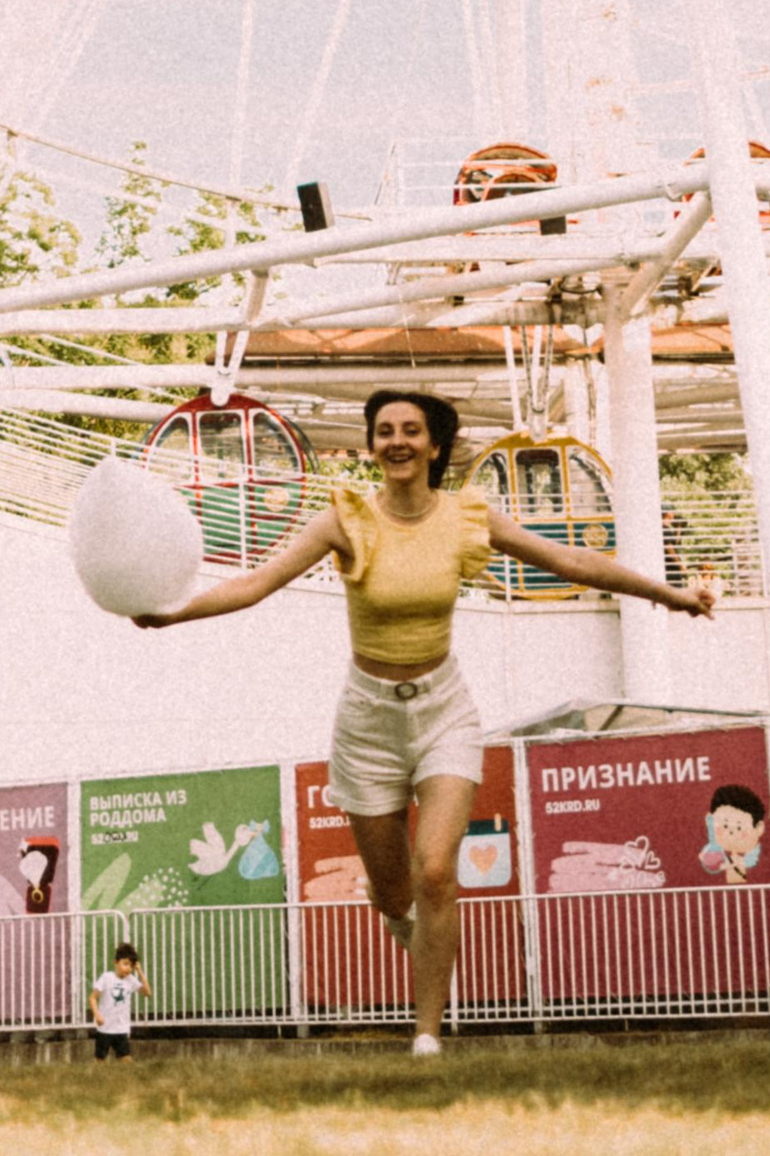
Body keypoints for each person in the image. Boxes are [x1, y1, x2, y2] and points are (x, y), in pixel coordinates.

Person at [134, 388, 713, 1059]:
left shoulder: (466, 516)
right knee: (394, 891)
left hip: (444, 710)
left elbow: (573, 560)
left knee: (435, 869)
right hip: (367, 721)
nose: (397, 441)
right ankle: (396, 912)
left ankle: (427, 1035)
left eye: (411, 430)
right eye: (384, 431)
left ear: (435, 445)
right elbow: (255, 583)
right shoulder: (345, 520)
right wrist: (173, 612)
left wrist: (672, 595)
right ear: (371, 445)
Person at [88, 941, 149, 1059]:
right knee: (99, 1061)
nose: (128, 968)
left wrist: (140, 971)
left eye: (131, 966)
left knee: (126, 1061)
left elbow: (147, 992)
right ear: (116, 962)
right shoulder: (106, 977)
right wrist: (97, 1015)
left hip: (121, 1029)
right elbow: (92, 998)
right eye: (125, 964)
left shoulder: (131, 980)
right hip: (105, 1029)